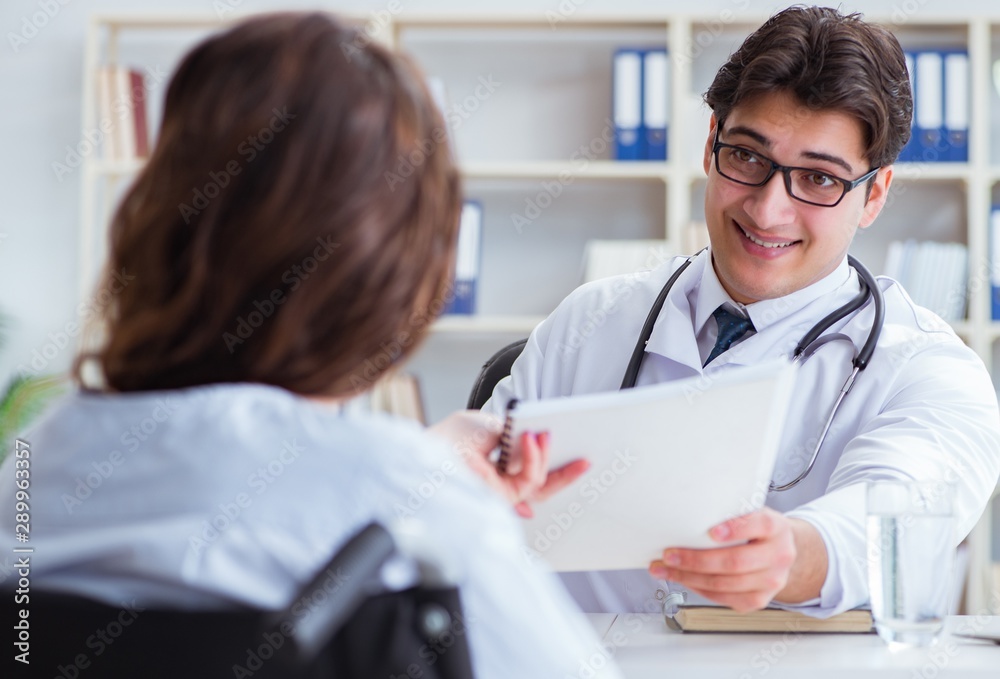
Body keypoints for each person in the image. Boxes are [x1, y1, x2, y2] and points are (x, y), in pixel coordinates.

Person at [0, 13, 619, 679]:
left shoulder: (31, 474)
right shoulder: (427, 522)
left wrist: (421, 469)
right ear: (394, 271)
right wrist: (421, 487)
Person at [484, 6, 1000, 617]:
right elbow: (473, 509)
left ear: (874, 195)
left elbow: (894, 516)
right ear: (710, 145)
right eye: (749, 158)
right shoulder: (589, 320)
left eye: (818, 178)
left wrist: (794, 554)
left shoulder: (928, 370)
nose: (768, 210)